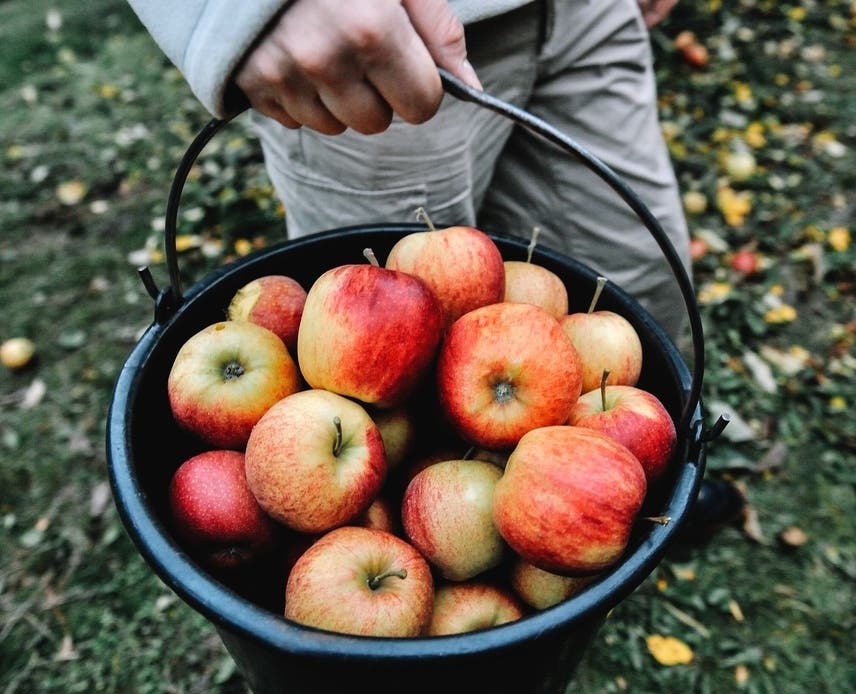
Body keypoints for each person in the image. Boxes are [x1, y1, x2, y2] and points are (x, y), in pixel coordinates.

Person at [127, 0, 744, 530]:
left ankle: (621, 503)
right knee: (401, 407)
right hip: (375, 46)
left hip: (588, 13)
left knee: (638, 281)